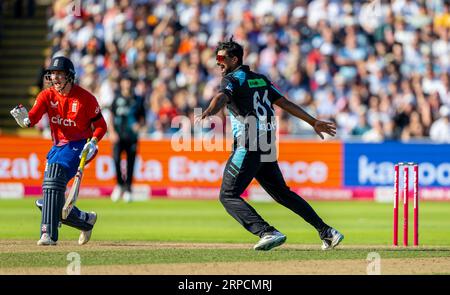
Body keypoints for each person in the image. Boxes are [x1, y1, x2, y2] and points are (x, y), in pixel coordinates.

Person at [197, 38, 344, 251]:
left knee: (227, 195)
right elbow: (284, 102)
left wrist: (210, 110)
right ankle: (327, 232)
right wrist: (313, 121)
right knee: (282, 194)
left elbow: (221, 96)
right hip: (265, 142)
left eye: (222, 58)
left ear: (235, 59)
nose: (217, 62)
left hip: (248, 143)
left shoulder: (232, 79)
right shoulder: (260, 79)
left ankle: (267, 232)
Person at [10, 56, 107, 246]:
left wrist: (94, 141)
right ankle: (85, 220)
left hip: (81, 145)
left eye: (59, 74)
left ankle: (48, 234)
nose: (55, 78)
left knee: (53, 179)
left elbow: (101, 126)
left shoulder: (85, 98)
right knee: (52, 199)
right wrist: (25, 121)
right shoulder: (47, 95)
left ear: (69, 77)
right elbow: (33, 118)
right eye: (52, 74)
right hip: (59, 147)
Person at [109, 75, 146, 202]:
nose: (127, 84)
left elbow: (143, 119)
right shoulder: (117, 99)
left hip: (132, 137)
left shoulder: (138, 100)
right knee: (116, 160)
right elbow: (111, 116)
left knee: (131, 163)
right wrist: (112, 132)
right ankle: (119, 185)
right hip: (118, 136)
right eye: (125, 82)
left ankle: (128, 189)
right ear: (122, 83)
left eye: (129, 82)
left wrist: (139, 126)